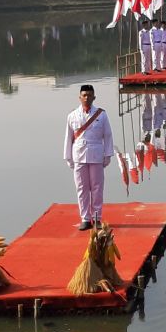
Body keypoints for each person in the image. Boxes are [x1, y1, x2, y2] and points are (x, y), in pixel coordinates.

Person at [63, 84, 114, 230]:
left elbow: (108, 135)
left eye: (89, 95)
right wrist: (68, 157)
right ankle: (85, 218)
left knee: (97, 188)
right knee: (81, 188)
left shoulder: (101, 114)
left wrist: (108, 154)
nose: (87, 98)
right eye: (84, 95)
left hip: (96, 154)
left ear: (94, 97)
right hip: (78, 155)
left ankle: (97, 218)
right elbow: (68, 138)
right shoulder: (72, 115)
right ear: (80, 97)